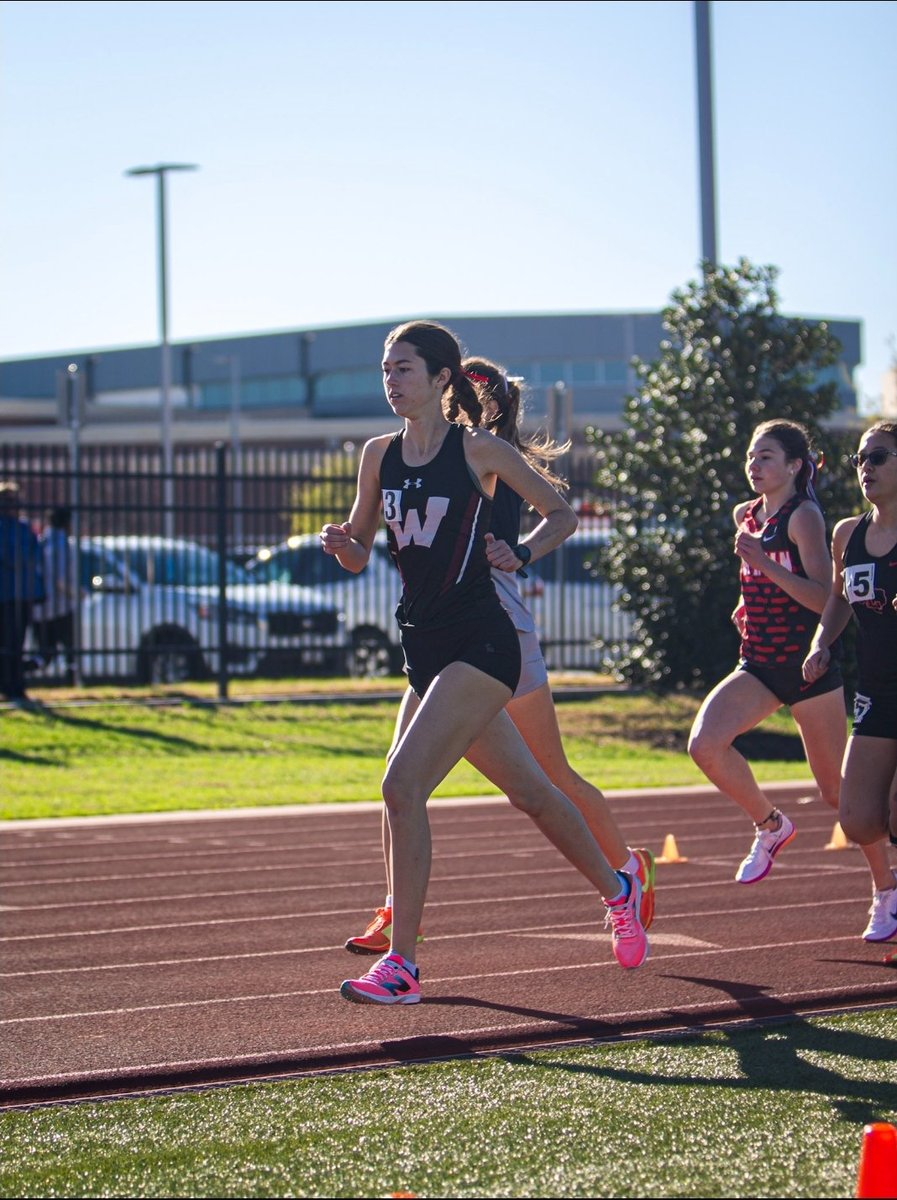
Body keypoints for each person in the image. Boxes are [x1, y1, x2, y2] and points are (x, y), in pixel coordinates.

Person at [321, 320, 648, 1005]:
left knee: (400, 787)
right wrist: (342, 546)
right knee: (530, 792)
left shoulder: (480, 451)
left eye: (403, 368)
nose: (391, 380)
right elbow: (359, 547)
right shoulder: (377, 455)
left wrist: (522, 551)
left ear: (442, 378)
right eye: (386, 369)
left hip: (482, 644)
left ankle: (403, 964)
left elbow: (560, 513)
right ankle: (618, 889)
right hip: (424, 648)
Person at [688, 419, 892, 925]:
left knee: (839, 796)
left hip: (807, 670)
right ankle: (770, 824)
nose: (754, 466)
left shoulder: (804, 518)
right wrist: (744, 601)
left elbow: (826, 595)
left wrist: (767, 566)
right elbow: (754, 578)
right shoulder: (746, 515)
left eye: (767, 458)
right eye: (752, 457)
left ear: (795, 466)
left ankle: (884, 890)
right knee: (704, 743)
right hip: (758, 662)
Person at [803, 421, 897, 942]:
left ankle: (890, 900)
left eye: (879, 457)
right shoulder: (848, 534)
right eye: (861, 459)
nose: (867, 468)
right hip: (878, 691)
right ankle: (887, 889)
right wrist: (822, 643)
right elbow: (839, 598)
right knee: (859, 818)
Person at [0, 481, 45, 706]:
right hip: (4, 595)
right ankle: (8, 685)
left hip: (22, 595)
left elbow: (36, 554)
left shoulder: (24, 528)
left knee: (17, 643)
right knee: (6, 642)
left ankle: (16, 685)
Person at [31, 506, 76, 684]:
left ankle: (15, 671)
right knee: (69, 650)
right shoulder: (62, 545)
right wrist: (78, 593)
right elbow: (61, 579)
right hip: (60, 606)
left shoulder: (42, 541)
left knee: (45, 653)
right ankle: (71, 680)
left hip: (39, 606)